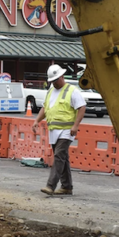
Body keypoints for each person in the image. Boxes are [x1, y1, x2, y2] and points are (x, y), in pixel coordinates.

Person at [32, 64, 86, 195]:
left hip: (67, 130)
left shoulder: (72, 91)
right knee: (63, 158)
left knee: (59, 156)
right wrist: (37, 120)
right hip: (54, 131)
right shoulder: (51, 91)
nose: (54, 83)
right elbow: (45, 108)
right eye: (52, 81)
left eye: (56, 80)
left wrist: (75, 126)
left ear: (62, 76)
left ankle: (50, 185)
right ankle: (67, 186)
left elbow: (82, 107)